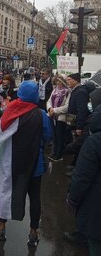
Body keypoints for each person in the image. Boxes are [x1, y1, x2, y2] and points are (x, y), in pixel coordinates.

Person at [0, 81, 52, 246]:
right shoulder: (42, 115)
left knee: (7, 191)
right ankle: (33, 232)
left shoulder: (10, 111)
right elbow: (47, 137)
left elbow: (1, 136)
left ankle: (2, 226)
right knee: (35, 197)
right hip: (35, 165)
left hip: (13, 164)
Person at [66, 102, 101, 255]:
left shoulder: (95, 141)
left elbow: (82, 176)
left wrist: (72, 199)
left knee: (95, 244)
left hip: (95, 205)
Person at [47, 75, 70, 161]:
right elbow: (49, 101)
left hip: (61, 118)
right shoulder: (54, 90)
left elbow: (67, 107)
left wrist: (55, 110)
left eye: (60, 82)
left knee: (60, 136)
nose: (58, 83)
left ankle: (59, 154)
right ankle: (54, 152)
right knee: (55, 136)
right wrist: (49, 108)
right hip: (52, 116)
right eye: (57, 82)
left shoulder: (67, 92)